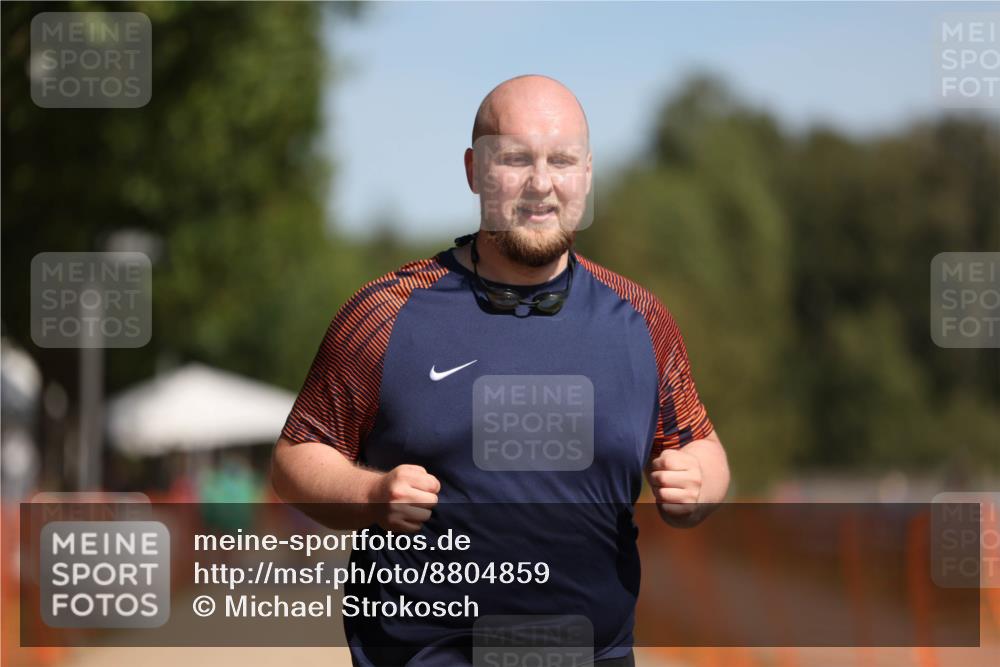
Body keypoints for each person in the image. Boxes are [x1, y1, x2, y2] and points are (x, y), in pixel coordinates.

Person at [272, 74, 730, 666]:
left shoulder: (640, 321)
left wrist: (698, 485)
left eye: (561, 161)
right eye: (515, 160)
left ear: (586, 174)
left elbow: (702, 447)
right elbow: (295, 457)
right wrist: (369, 492)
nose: (541, 184)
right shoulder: (384, 314)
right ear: (473, 170)